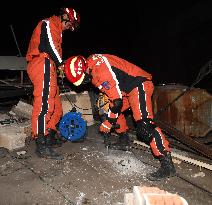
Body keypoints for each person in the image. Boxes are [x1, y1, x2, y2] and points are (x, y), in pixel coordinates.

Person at [64, 54, 176, 180]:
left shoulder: (101, 71)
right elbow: (113, 95)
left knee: (145, 125)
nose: (84, 82)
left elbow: (117, 102)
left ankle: (167, 163)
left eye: (83, 79)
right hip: (126, 89)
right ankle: (124, 140)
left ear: (85, 69)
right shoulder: (91, 66)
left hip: (138, 84)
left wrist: (107, 123)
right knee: (110, 112)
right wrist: (109, 116)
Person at [26, 7, 80, 160]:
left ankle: (49, 134)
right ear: (64, 16)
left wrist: (58, 67)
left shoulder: (58, 31)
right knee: (45, 103)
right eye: (71, 23)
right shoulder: (49, 23)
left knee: (56, 105)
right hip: (41, 62)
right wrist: (62, 64)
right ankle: (40, 140)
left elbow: (53, 49)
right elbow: (47, 45)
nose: (71, 27)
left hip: (49, 65)